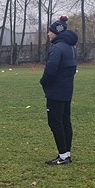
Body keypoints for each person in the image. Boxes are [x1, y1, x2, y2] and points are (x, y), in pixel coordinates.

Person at [40, 15, 78, 166]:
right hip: (67, 91)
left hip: (56, 92)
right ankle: (66, 153)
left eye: (50, 31)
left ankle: (63, 157)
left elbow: (50, 71)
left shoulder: (57, 48)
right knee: (65, 122)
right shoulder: (71, 48)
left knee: (55, 123)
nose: (48, 34)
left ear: (56, 32)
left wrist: (43, 82)